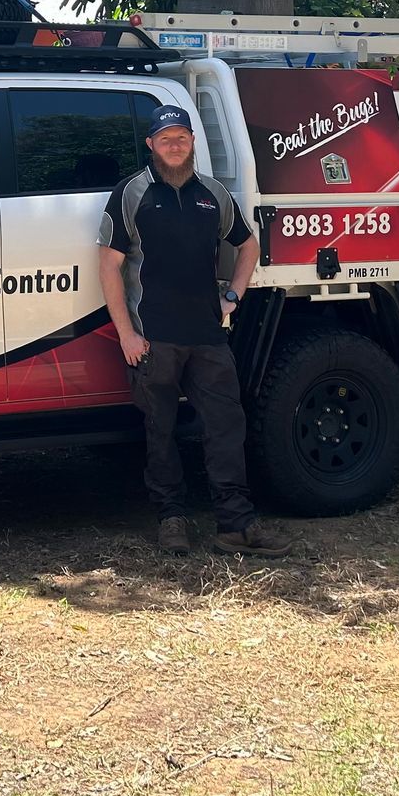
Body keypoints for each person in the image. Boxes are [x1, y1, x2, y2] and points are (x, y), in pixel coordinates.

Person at [98, 105, 292, 558]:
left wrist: (234, 297)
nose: (174, 143)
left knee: (226, 427)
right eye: (165, 137)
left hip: (208, 335)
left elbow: (248, 245)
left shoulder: (214, 194)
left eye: (181, 135)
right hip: (152, 338)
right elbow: (109, 266)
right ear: (150, 143)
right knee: (160, 430)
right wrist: (126, 333)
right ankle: (171, 520)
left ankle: (236, 525)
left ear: (191, 140)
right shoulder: (132, 192)